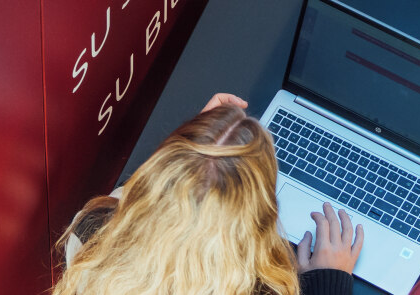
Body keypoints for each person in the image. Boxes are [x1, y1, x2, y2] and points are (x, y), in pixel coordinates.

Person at [52, 93, 362, 295]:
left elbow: (132, 201)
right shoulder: (262, 288)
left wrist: (197, 155)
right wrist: (328, 281)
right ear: (255, 216)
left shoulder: (92, 231)